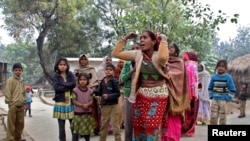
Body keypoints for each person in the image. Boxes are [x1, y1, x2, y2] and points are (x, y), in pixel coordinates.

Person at [112, 30, 170, 140]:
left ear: (153, 41)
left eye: (145, 37)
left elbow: (163, 58)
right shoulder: (138, 54)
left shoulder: (158, 55)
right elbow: (116, 53)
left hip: (159, 95)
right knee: (139, 126)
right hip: (142, 95)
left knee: (152, 126)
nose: (141, 40)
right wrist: (125, 38)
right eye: (141, 38)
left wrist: (164, 40)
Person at [162, 43, 190, 141]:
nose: (169, 48)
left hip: (175, 95)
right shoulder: (162, 60)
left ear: (176, 51)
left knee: (173, 115)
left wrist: (166, 73)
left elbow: (179, 75)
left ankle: (172, 137)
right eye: (168, 46)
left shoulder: (179, 62)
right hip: (162, 93)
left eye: (172, 47)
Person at [74, 54, 101, 135]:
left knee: (93, 111)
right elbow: (75, 81)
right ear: (79, 60)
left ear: (87, 60)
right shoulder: (76, 70)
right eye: (81, 59)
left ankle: (95, 129)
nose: (83, 61)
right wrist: (80, 87)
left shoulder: (91, 69)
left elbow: (95, 81)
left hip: (90, 92)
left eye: (85, 59)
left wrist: (88, 87)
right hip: (79, 93)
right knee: (81, 111)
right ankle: (82, 130)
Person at [119, 42, 141, 141]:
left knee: (140, 124)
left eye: (137, 48)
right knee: (128, 125)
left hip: (141, 97)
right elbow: (121, 79)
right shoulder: (127, 64)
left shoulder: (144, 63)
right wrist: (132, 71)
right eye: (133, 48)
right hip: (128, 97)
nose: (135, 50)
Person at [95, 64, 122, 141]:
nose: (108, 71)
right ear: (104, 71)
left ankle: (118, 139)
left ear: (113, 72)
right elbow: (99, 92)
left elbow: (118, 93)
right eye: (107, 69)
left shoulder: (114, 81)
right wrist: (92, 91)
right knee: (104, 125)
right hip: (104, 105)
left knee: (115, 125)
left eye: (110, 70)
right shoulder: (103, 81)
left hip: (113, 106)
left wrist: (109, 96)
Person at [52, 57, 76, 141]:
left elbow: (73, 84)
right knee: (61, 128)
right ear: (57, 66)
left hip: (71, 103)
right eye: (60, 65)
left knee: (73, 126)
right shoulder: (56, 76)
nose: (62, 66)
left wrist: (63, 84)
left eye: (64, 65)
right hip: (60, 103)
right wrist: (67, 86)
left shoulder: (70, 74)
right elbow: (56, 88)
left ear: (67, 66)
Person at [208, 59, 236, 125]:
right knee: (213, 116)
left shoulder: (228, 77)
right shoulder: (213, 77)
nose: (221, 68)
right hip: (215, 100)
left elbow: (232, 89)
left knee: (222, 117)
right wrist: (211, 96)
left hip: (223, 100)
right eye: (219, 66)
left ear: (225, 68)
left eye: (223, 66)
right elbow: (210, 88)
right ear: (217, 67)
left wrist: (228, 98)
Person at [5, 63, 26, 141]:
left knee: (20, 124)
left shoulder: (22, 80)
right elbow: (7, 92)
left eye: (19, 70)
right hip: (13, 105)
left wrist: (24, 102)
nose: (18, 71)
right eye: (16, 70)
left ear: (22, 71)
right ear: (13, 71)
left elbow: (23, 92)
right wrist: (10, 103)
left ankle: (18, 138)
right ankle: (11, 139)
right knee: (11, 124)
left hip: (21, 105)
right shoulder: (10, 80)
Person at [71, 73, 95, 141]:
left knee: (87, 132)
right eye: (80, 79)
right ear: (78, 81)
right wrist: (82, 105)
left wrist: (87, 104)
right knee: (76, 132)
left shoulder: (90, 91)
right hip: (78, 114)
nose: (82, 81)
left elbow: (92, 100)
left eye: (84, 79)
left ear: (87, 81)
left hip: (87, 114)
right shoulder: (75, 90)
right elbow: (74, 101)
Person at [181, 51, 199, 137]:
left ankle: (186, 129)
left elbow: (191, 80)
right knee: (190, 112)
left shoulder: (189, 65)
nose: (183, 57)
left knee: (187, 112)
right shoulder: (194, 65)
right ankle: (187, 129)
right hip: (193, 93)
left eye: (185, 56)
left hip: (187, 93)